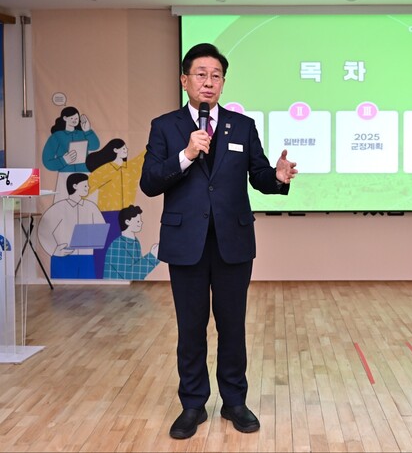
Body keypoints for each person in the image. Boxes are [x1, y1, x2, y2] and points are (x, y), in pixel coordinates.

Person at [139, 43, 297, 439]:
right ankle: (193, 404)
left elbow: (259, 176)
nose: (208, 82)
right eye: (201, 74)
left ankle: (234, 401)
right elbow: (150, 182)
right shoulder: (165, 126)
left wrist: (277, 177)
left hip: (232, 241)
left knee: (232, 326)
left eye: (216, 76)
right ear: (184, 80)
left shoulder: (241, 126)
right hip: (186, 242)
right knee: (191, 327)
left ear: (223, 83)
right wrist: (186, 154)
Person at [86, 138, 146, 278]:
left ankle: (123, 275)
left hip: (126, 214)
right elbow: (87, 188)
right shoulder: (105, 170)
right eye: (123, 148)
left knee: (125, 248)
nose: (126, 150)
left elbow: (142, 158)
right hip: (107, 213)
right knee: (104, 246)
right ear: (115, 150)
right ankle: (100, 275)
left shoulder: (130, 167)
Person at [37, 173, 106, 279]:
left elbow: (101, 230)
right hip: (63, 257)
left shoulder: (91, 207)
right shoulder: (58, 207)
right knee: (61, 287)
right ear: (75, 186)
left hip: (86, 258)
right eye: (85, 185)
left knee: (89, 286)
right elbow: (43, 230)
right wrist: (54, 250)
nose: (88, 188)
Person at [42, 106, 100, 201]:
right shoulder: (56, 136)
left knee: (88, 203)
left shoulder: (82, 133)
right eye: (72, 118)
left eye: (76, 118)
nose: (74, 120)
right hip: (65, 175)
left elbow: (95, 146)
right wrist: (63, 160)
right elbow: (47, 161)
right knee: (64, 203)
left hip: (85, 173)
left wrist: (88, 131)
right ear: (65, 118)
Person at [103, 205, 159, 280]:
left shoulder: (135, 242)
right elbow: (130, 275)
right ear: (127, 222)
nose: (141, 223)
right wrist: (152, 256)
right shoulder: (117, 245)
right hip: (115, 286)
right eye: (138, 221)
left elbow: (137, 271)